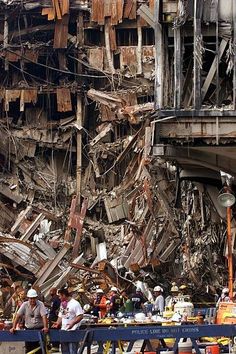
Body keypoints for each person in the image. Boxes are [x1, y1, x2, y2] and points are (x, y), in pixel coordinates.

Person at [10, 289, 48, 354]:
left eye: (34, 298)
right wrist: (13, 327)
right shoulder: (24, 304)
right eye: (31, 299)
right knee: (29, 349)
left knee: (40, 349)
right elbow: (17, 316)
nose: (32, 300)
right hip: (28, 330)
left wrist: (45, 327)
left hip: (39, 330)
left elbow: (44, 316)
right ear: (28, 298)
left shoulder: (40, 304)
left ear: (36, 298)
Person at [52, 288, 83, 354]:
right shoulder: (63, 304)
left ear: (63, 295)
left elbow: (80, 316)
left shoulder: (75, 304)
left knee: (72, 351)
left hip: (73, 331)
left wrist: (73, 322)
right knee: (64, 351)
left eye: (60, 296)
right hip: (64, 330)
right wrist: (57, 323)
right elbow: (61, 315)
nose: (59, 298)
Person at [48, 287, 60, 352]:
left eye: (52, 291)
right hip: (51, 316)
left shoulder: (57, 298)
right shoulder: (52, 299)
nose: (50, 292)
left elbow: (58, 308)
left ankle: (56, 346)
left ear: (55, 291)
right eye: (50, 291)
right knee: (51, 331)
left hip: (54, 318)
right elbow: (51, 307)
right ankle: (53, 345)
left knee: (54, 331)